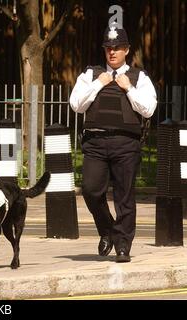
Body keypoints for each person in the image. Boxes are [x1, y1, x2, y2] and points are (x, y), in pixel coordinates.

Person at [70, 23, 157, 263]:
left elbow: (149, 110)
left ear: (126, 50)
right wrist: (99, 83)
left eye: (117, 47)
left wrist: (129, 88)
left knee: (124, 197)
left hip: (125, 143)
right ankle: (107, 229)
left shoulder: (139, 77)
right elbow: (76, 104)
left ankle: (123, 246)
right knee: (89, 189)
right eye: (109, 47)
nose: (112, 52)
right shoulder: (91, 74)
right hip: (96, 142)